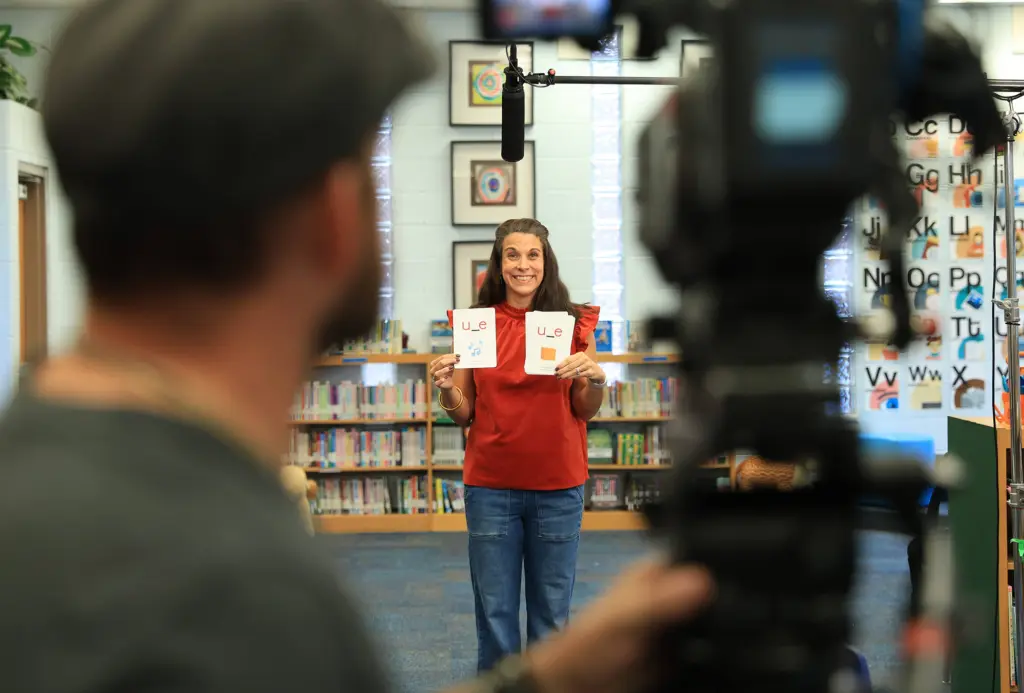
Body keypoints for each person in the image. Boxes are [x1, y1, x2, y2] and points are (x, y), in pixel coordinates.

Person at [0, 1, 714, 692]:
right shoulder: (259, 588)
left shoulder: (40, 494)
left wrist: (545, 679)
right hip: (494, 481)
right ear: (333, 215)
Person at [429, 218, 608, 672]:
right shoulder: (477, 324)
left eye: (533, 255)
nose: (523, 265)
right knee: (495, 617)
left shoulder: (571, 323)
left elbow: (585, 409)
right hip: (491, 489)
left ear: (546, 262)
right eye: (513, 255)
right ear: (499, 262)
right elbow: (463, 412)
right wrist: (446, 388)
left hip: (558, 488)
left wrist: (597, 377)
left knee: (552, 618)